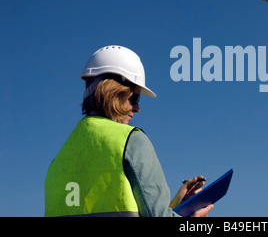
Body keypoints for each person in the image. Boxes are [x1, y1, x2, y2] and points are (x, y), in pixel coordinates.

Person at [45, 45, 213, 217]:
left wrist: (171, 207)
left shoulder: (57, 163)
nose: (137, 108)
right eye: (135, 97)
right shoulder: (131, 140)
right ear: (114, 92)